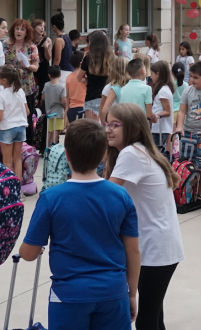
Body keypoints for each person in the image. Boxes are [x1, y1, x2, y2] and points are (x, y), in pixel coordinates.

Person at [21, 119, 140, 329]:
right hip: (113, 291)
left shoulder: (51, 198)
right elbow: (133, 252)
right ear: (104, 154)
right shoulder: (121, 195)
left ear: (66, 155)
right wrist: (131, 293)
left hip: (69, 294)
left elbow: (28, 253)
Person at [105, 105, 184, 330]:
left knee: (147, 321)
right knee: (154, 318)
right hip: (159, 248)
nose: (108, 130)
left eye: (115, 125)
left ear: (134, 128)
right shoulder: (141, 151)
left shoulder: (132, 154)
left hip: (154, 250)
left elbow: (104, 197)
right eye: (107, 124)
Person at [174, 61, 201, 196]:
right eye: (191, 76)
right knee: (185, 164)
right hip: (188, 133)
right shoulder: (187, 91)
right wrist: (179, 127)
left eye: (195, 77)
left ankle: (198, 194)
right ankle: (185, 193)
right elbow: (182, 111)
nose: (191, 80)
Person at [0, 65, 29, 184]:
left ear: (4, 80)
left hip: (7, 128)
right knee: (17, 159)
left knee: (7, 161)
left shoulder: (0, 95)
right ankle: (18, 187)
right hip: (21, 127)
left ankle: (9, 187)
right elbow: (28, 111)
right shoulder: (20, 91)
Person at [4, 19, 40, 124]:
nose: (19, 32)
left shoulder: (31, 47)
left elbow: (36, 67)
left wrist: (28, 66)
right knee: (9, 114)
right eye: (17, 29)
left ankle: (27, 140)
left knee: (26, 116)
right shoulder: (5, 45)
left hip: (26, 86)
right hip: (8, 84)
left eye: (22, 29)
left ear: (26, 32)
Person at [80, 30, 113, 122]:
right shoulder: (111, 57)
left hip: (92, 95)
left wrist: (87, 80)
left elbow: (79, 77)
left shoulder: (88, 58)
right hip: (108, 95)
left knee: (92, 129)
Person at [148, 61, 175, 153]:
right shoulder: (162, 89)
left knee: (156, 153)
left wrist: (155, 116)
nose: (151, 76)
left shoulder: (163, 90)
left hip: (161, 129)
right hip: (158, 129)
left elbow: (167, 111)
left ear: (158, 74)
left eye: (152, 74)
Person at [42, 65, 68, 147]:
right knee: (56, 134)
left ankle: (47, 149)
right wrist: (65, 106)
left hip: (49, 113)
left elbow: (43, 97)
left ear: (49, 75)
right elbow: (63, 101)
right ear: (60, 75)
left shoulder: (46, 85)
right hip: (59, 113)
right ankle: (52, 150)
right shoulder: (61, 87)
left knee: (49, 133)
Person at [51, 13, 74, 84]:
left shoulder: (59, 40)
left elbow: (57, 59)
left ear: (54, 27)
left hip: (63, 72)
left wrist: (53, 74)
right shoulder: (67, 37)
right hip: (70, 70)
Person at [66, 51, 87, 123]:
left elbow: (67, 96)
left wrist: (66, 111)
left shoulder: (68, 77)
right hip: (83, 107)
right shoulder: (85, 77)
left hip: (72, 109)